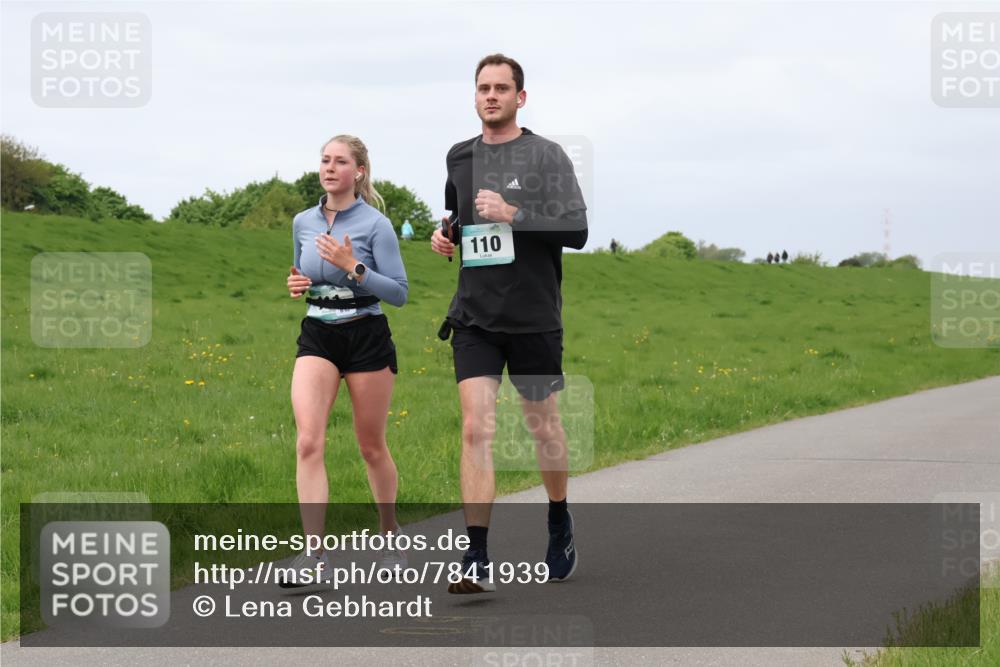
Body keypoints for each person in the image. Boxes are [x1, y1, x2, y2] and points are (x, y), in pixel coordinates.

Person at [431, 54, 588, 593]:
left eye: (501, 88)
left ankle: (559, 516)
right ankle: (476, 557)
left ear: (521, 97)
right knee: (476, 427)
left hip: (533, 316)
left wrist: (514, 215)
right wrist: (446, 236)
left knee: (543, 426)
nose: (490, 95)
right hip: (475, 314)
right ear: (474, 96)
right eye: (482, 88)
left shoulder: (546, 155)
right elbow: (457, 216)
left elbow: (577, 229)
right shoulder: (459, 156)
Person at [280, 135, 409, 589]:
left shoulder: (376, 226)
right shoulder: (302, 221)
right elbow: (302, 273)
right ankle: (314, 555)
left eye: (340, 162)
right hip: (318, 333)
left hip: (366, 335)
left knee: (370, 445)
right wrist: (297, 284)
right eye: (324, 160)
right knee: (308, 442)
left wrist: (355, 266)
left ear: (359, 172)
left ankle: (390, 536)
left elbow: (399, 293)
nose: (329, 168)